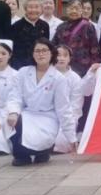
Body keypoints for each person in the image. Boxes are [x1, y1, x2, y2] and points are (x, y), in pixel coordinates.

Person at [11, 38, 75, 166]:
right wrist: (13, 112)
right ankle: (21, 156)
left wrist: (71, 138)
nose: (41, 54)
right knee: (10, 118)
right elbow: (14, 96)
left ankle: (43, 152)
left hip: (47, 118)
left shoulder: (58, 78)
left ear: (52, 53)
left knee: (39, 140)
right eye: (37, 51)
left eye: (44, 50)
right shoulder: (23, 72)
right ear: (32, 54)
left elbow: (63, 109)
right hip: (28, 114)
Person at [53, 0, 101, 77]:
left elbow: (94, 48)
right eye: (71, 8)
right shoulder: (61, 27)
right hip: (62, 67)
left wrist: (94, 66)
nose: (74, 11)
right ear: (67, 10)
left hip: (83, 68)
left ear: (81, 10)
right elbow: (54, 46)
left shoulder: (88, 26)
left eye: (77, 8)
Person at [53, 44, 84, 147]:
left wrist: (67, 119)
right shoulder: (46, 74)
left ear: (69, 58)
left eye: (65, 55)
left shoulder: (75, 79)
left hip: (68, 117)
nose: (61, 58)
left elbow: (76, 105)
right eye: (58, 55)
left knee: (61, 142)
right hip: (47, 115)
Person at [10, 0, 50, 69]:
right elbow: (12, 51)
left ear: (41, 9)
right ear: (25, 9)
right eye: (30, 7)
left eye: (37, 7)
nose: (34, 10)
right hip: (20, 66)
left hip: (40, 66)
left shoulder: (45, 26)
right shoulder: (16, 26)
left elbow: (46, 48)